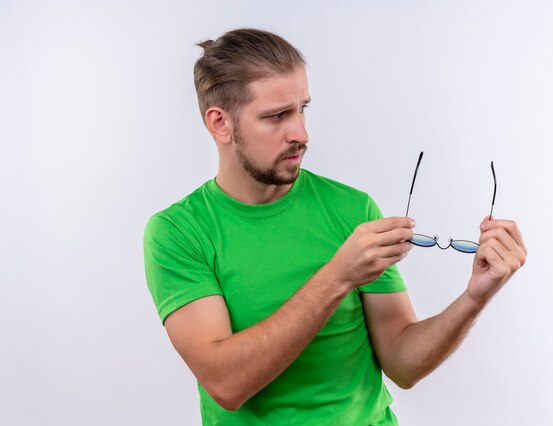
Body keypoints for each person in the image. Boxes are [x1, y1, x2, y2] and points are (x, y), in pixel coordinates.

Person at [143, 28, 527, 426]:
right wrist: (339, 276)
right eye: (276, 116)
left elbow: (403, 364)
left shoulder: (352, 208)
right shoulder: (177, 233)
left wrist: (475, 296)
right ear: (220, 124)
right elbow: (227, 384)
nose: (300, 135)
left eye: (302, 109)